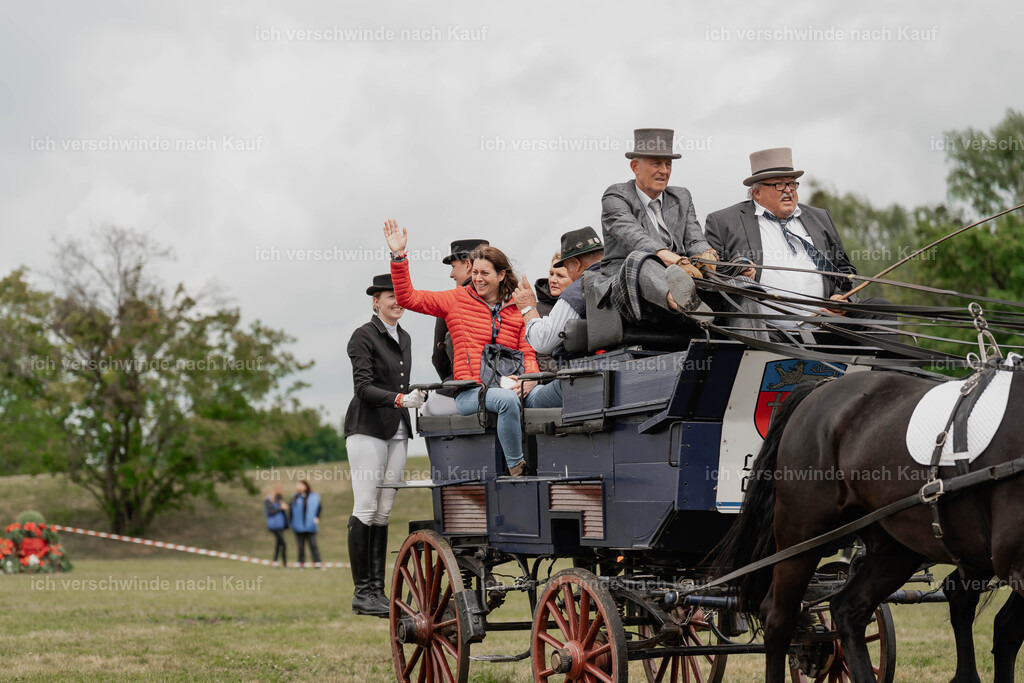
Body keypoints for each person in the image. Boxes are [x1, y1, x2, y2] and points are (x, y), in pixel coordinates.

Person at [384, 218, 562, 477]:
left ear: (501, 275)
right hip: (471, 392)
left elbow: (527, 351)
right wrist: (398, 256)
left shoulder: (515, 307)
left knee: (558, 391)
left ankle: (563, 463)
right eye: (474, 272)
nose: (477, 279)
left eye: (484, 273)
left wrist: (529, 381)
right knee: (507, 401)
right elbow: (407, 297)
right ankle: (517, 467)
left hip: (514, 386)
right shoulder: (455, 300)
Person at [704, 147, 895, 342]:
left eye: (792, 184)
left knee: (880, 309)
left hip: (826, 325)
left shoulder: (820, 217)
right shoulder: (724, 222)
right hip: (770, 332)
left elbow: (844, 269)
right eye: (778, 185)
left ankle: (887, 373)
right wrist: (738, 270)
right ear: (756, 192)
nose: (788, 190)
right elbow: (710, 276)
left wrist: (842, 297)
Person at [344, 272, 423, 616]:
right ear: (375, 301)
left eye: (398, 296)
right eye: (388, 296)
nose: (395, 301)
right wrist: (399, 400)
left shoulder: (404, 336)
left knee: (384, 510)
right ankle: (363, 592)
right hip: (368, 427)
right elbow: (362, 387)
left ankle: (377, 590)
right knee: (365, 505)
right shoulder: (363, 336)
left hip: (398, 428)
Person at [593, 128, 718, 324]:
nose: (664, 171)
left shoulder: (682, 196)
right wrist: (675, 261)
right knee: (641, 260)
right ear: (635, 166)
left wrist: (706, 255)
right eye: (656, 164)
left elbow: (694, 239)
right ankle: (688, 305)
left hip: (683, 274)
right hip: (628, 285)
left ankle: (755, 336)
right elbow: (634, 237)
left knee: (739, 279)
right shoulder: (616, 196)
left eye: (668, 164)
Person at [515, 226, 605, 359]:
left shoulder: (577, 290)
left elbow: (543, 342)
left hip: (582, 374)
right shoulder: (617, 276)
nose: (552, 280)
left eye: (565, 270)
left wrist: (528, 308)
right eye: (551, 274)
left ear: (576, 264)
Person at [422, 239, 489, 417]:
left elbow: (439, 360)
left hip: (465, 389)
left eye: (453, 266)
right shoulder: (511, 298)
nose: (451, 274)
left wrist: (451, 381)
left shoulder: (450, 302)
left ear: (468, 265)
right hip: (508, 387)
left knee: (426, 410)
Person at [291, 480, 322, 568]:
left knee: (313, 545)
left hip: (310, 525)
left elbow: (319, 508)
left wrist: (317, 517)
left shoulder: (314, 497)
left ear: (305, 486)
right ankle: (301, 564)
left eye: (300, 485)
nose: (298, 487)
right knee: (300, 547)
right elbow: (291, 510)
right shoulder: (295, 497)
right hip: (298, 526)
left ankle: (318, 564)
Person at [264, 484, 289, 568]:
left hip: (280, 525)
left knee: (278, 545)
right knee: (283, 544)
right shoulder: (269, 500)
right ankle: (285, 564)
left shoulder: (280, 499)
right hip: (274, 525)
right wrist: (280, 508)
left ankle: (275, 562)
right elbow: (270, 512)